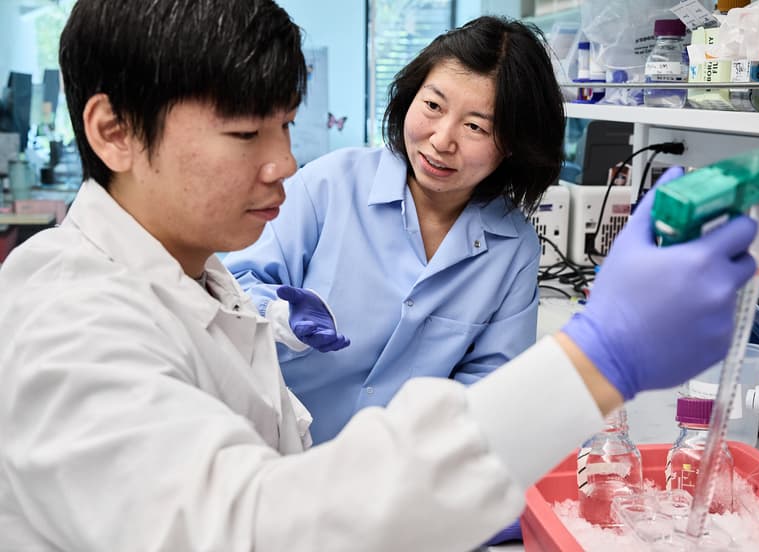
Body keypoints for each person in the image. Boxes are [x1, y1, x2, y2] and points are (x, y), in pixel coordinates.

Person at [0, 1, 758, 551]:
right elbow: (252, 527)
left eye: (286, 127)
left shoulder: (190, 279)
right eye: (245, 134)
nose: (286, 165)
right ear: (113, 132)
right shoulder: (68, 323)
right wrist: (601, 358)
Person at [223, 15, 563, 447]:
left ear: (512, 144)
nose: (442, 140)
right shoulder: (327, 185)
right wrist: (279, 316)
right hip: (281, 454)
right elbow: (232, 291)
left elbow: (490, 386)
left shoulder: (512, 248)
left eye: (476, 126)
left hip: (403, 479)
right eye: (433, 106)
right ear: (409, 97)